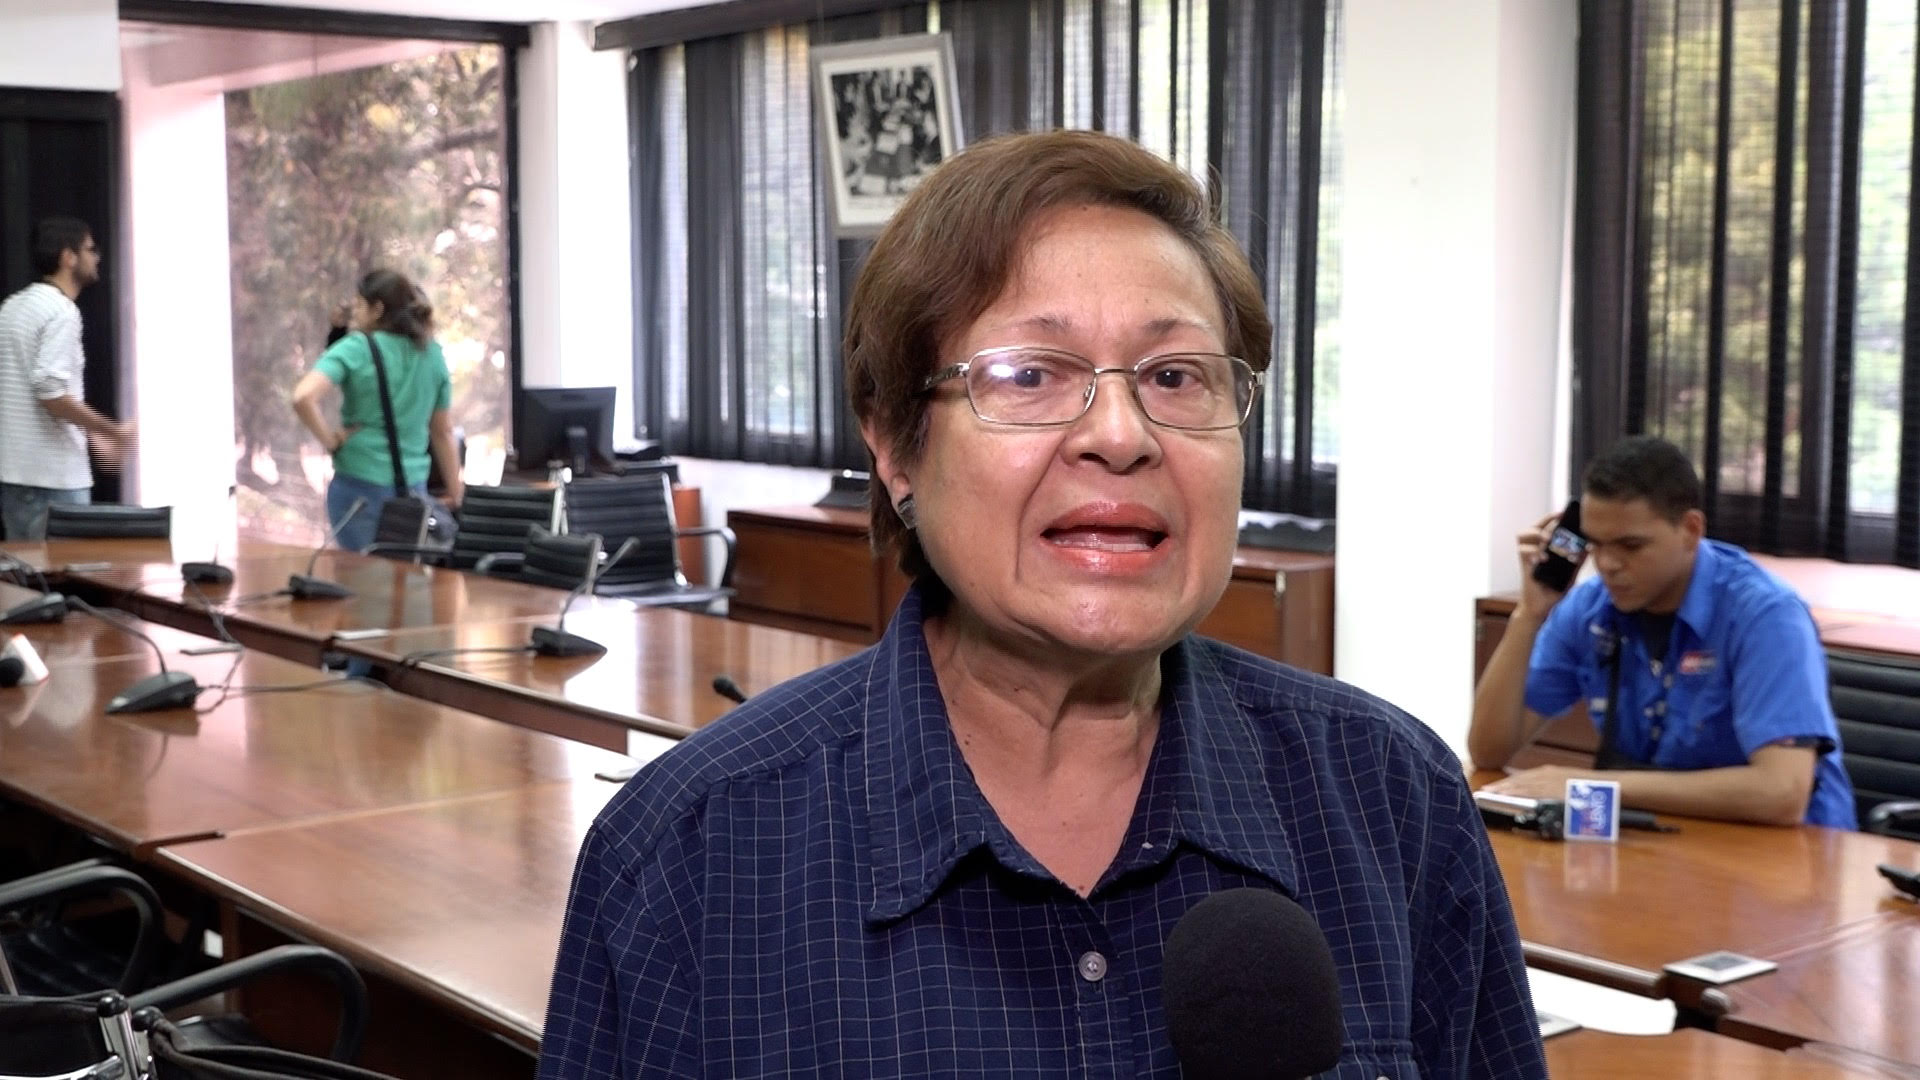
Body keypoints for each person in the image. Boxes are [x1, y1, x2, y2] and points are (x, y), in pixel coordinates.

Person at [538, 131, 1545, 1079]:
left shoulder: (1395, 801)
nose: (1120, 433)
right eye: (1029, 374)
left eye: (1176, 374)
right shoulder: (687, 856)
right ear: (893, 447)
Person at [1472, 436, 1856, 828]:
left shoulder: (1764, 614)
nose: (1607, 564)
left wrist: (1592, 785)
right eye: (1596, 544)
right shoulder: (1590, 608)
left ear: (1690, 529)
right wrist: (1529, 614)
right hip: (1661, 836)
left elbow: (1782, 793)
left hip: (1786, 857)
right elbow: (1487, 751)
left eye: (1630, 545)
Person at [291, 269, 462, 553]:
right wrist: (456, 493)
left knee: (363, 584)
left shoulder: (356, 348)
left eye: (359, 304)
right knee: (407, 584)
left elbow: (302, 397)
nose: (355, 313)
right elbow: (442, 431)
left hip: (359, 490)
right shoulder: (432, 353)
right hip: (412, 494)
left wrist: (332, 441)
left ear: (377, 309)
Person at [0, 217, 136, 540]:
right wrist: (113, 431)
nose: (97, 257)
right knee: (67, 584)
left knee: (29, 587)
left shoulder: (11, 307)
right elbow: (50, 394)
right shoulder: (62, 311)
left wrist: (91, 436)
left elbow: (30, 394)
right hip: (54, 483)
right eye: (90, 249)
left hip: (14, 478)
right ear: (68, 257)